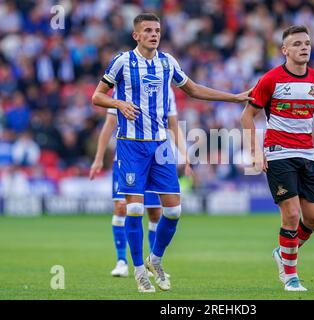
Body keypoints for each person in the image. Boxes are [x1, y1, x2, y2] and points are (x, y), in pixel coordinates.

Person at [92, 13, 252, 293]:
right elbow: (97, 96)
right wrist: (118, 103)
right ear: (136, 35)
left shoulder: (168, 62)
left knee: (174, 210)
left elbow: (193, 90)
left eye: (157, 30)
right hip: (131, 144)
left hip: (161, 146)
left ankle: (156, 258)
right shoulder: (122, 62)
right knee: (135, 208)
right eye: (147, 30)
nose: (154, 34)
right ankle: (139, 270)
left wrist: (235, 97)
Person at [241, 25, 314, 292]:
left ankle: (283, 252)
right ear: (284, 51)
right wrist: (256, 152)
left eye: (307, 43)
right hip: (279, 153)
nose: (304, 48)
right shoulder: (270, 79)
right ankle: (290, 277)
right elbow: (247, 116)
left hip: (307, 155)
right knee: (291, 215)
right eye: (297, 44)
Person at [89, 90, 189, 279]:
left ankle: (153, 261)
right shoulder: (123, 86)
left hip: (155, 158)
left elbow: (173, 125)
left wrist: (184, 154)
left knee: (155, 212)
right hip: (127, 158)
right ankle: (121, 261)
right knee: (122, 207)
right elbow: (109, 124)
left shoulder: (166, 89)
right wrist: (99, 158)